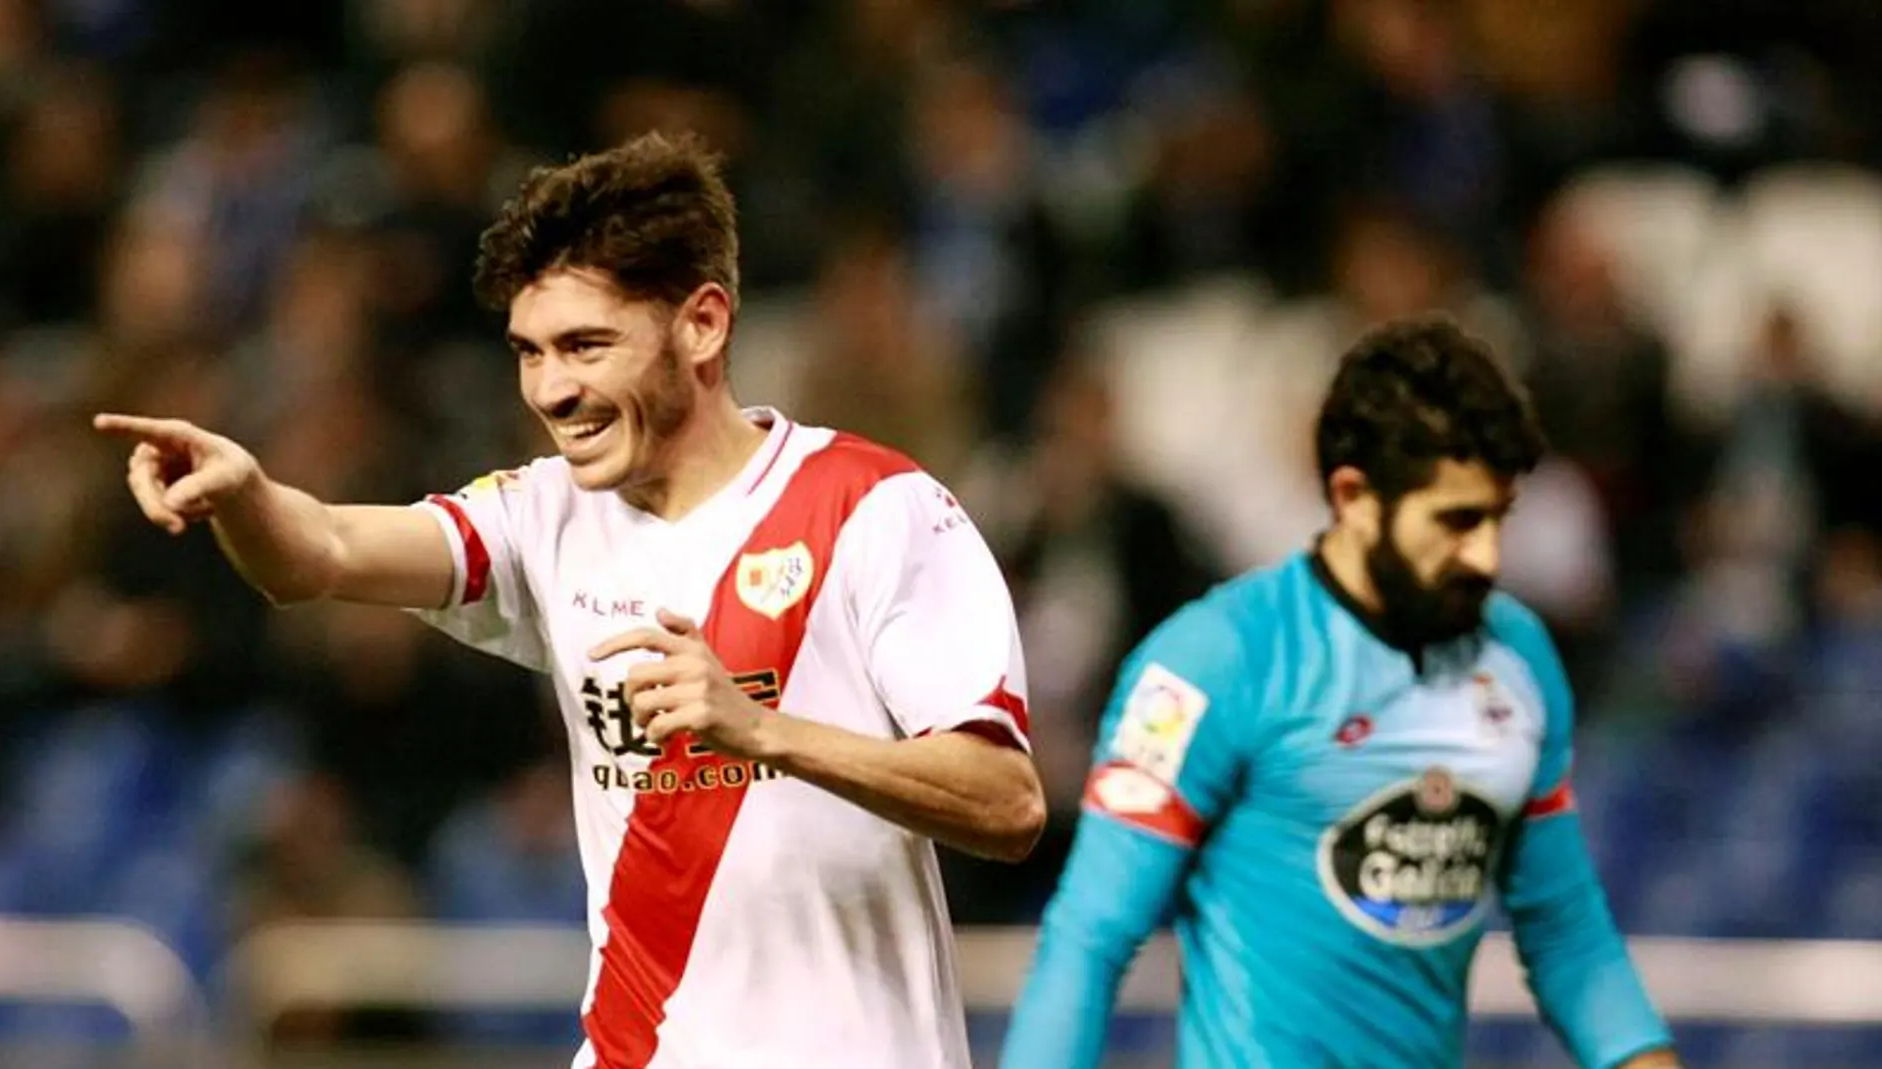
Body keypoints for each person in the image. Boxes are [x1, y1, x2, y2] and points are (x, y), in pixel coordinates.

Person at [95, 131, 1046, 1069]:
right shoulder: (542, 513)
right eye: (529, 351)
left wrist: (765, 731)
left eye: (586, 345)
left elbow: (1006, 802)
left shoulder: (876, 509)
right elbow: (321, 554)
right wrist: (245, 494)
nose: (552, 388)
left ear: (703, 324)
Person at [1000, 315, 1679, 1069]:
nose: (1486, 555)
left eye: (1497, 518)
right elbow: (1089, 939)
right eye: (1456, 521)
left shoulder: (1517, 656)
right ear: (1353, 496)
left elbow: (1566, 933)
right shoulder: (1210, 664)